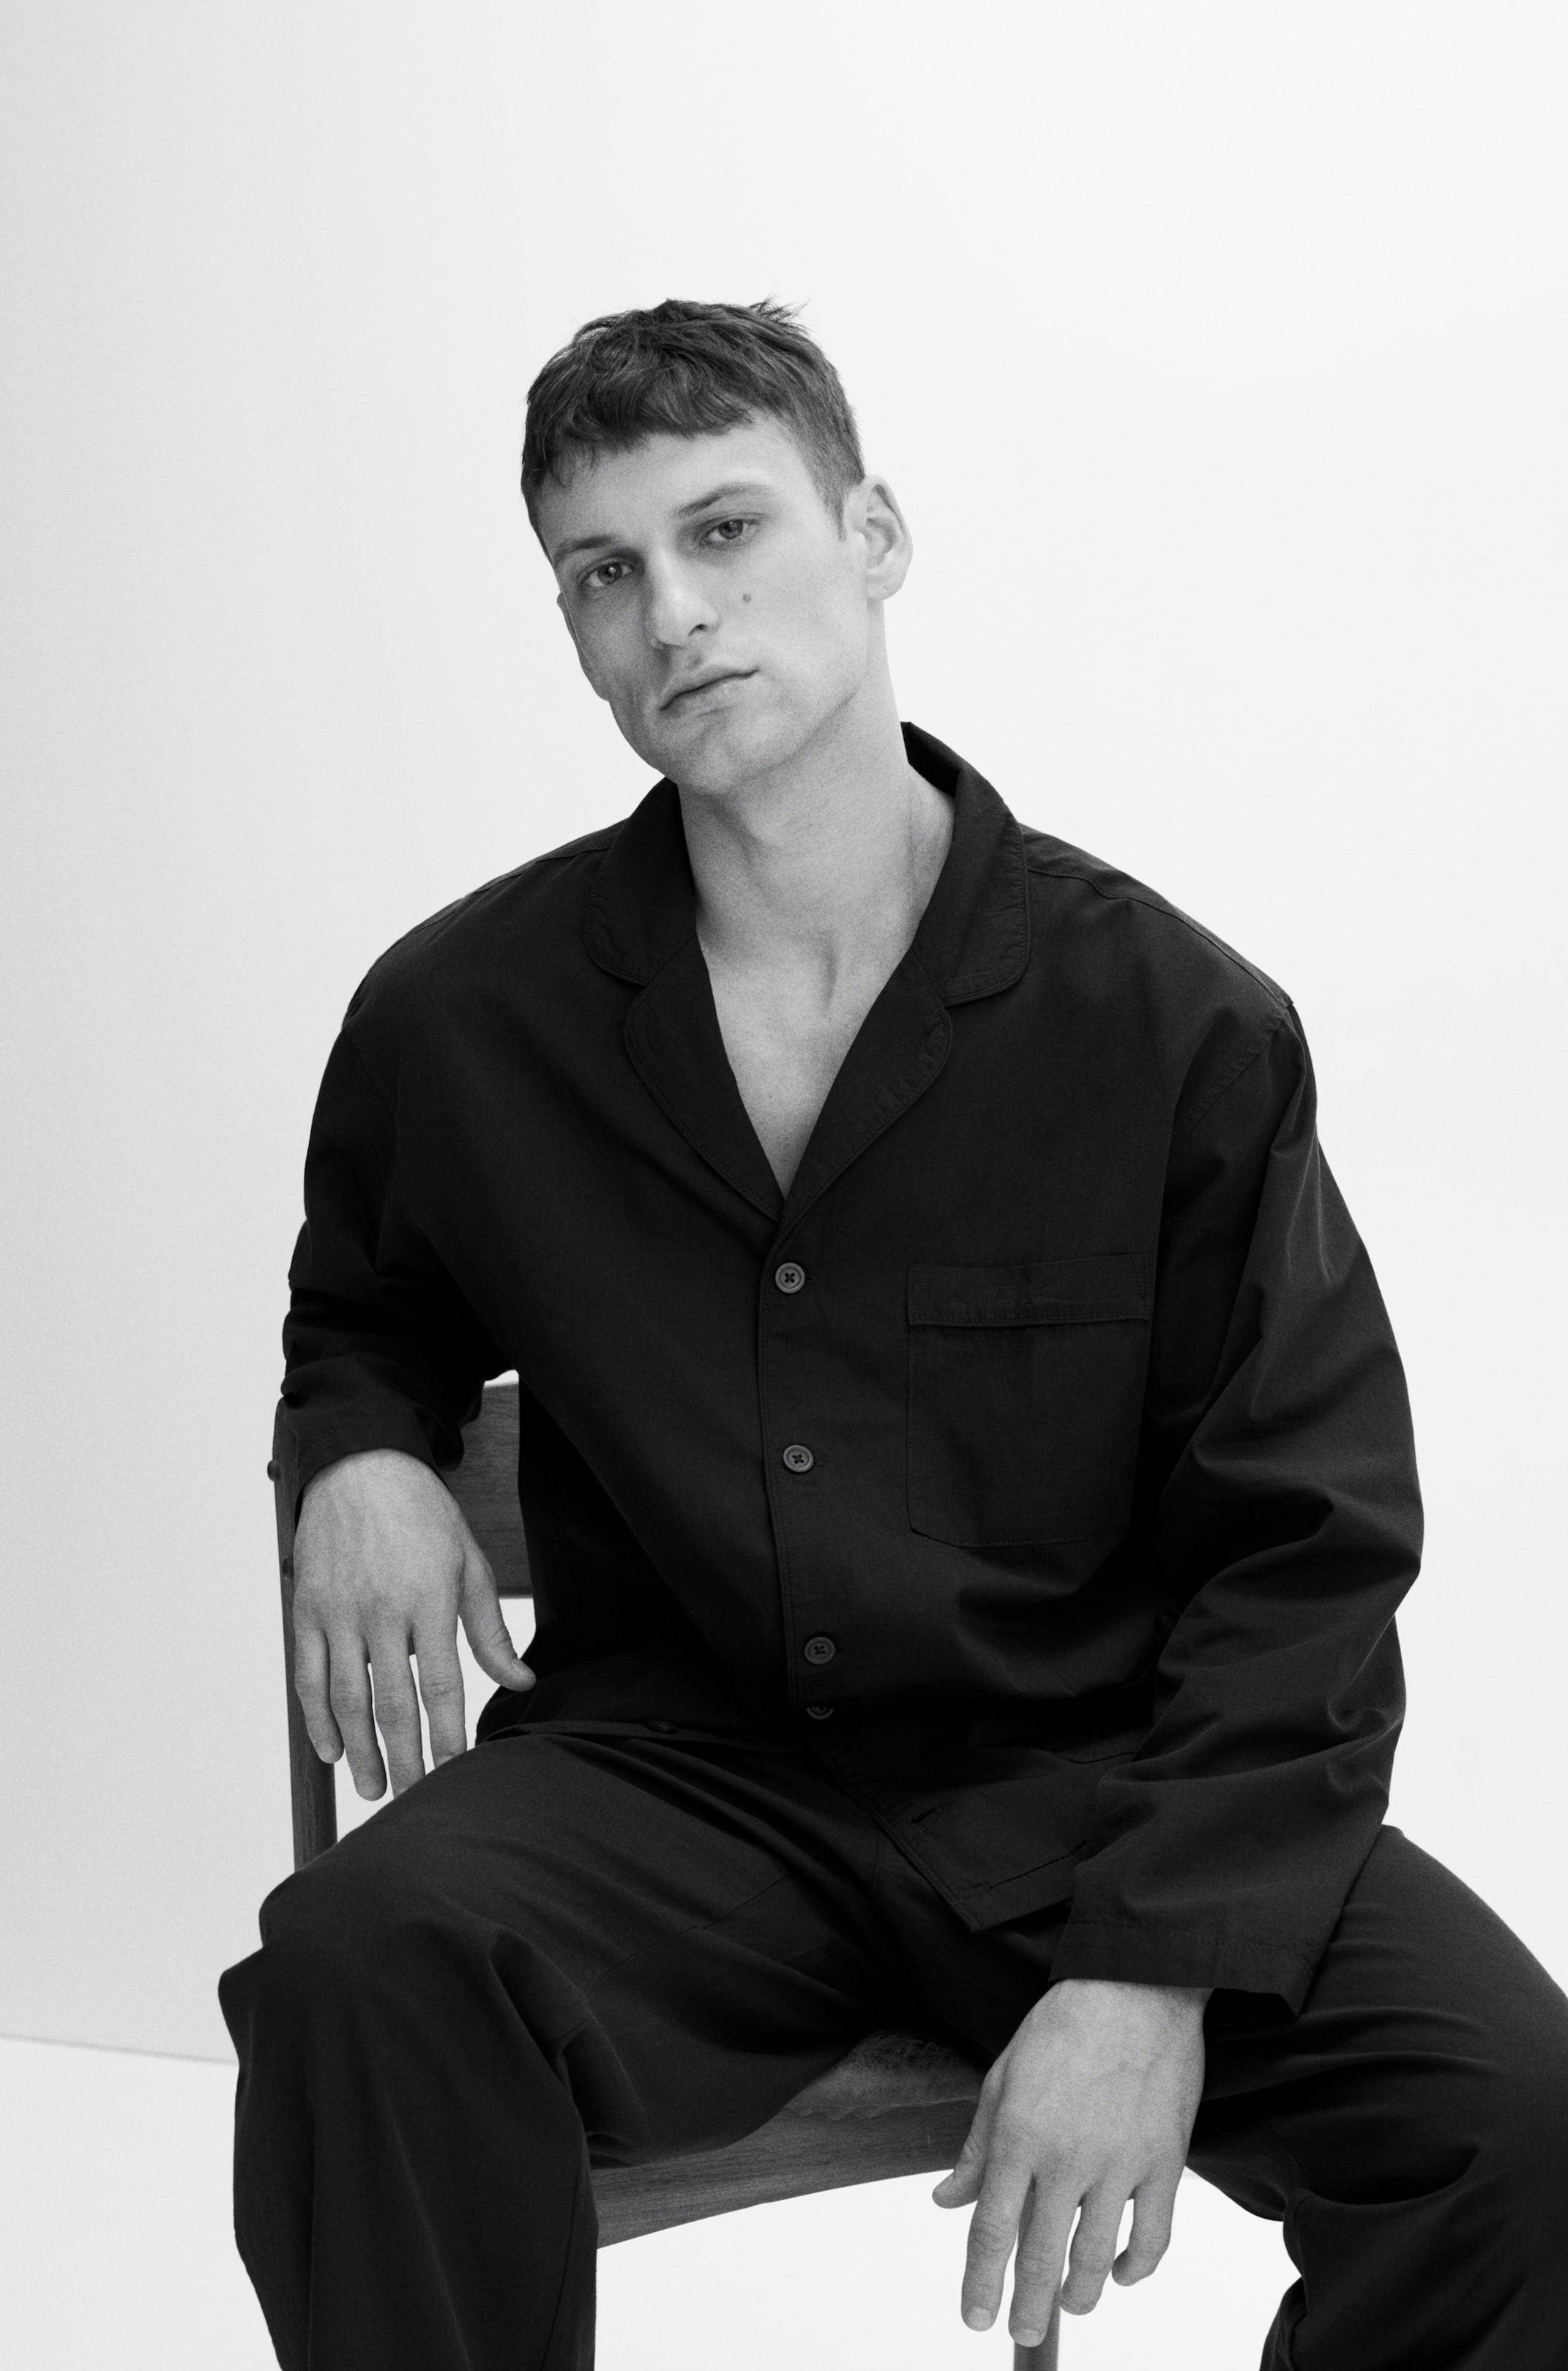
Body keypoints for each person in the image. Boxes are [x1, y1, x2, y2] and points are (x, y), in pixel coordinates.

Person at [220, 299, 1568, 2371]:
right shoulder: (461, 1022)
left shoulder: (1175, 1027)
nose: (674, 612)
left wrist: (1150, 1972)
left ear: (874, 535)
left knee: (1524, 2127)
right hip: (680, 1792)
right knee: (357, 1966)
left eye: (725, 530)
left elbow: (1301, 1541)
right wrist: (362, 1448)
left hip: (1093, 1786)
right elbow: (364, 1303)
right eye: (603, 572)